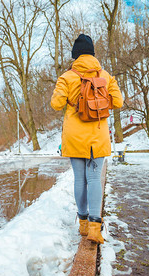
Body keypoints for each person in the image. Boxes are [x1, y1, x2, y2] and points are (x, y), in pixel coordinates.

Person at [50, 34, 123, 244]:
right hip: (98, 135)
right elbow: (118, 102)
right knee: (94, 179)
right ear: (93, 53)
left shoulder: (67, 76)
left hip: (74, 136)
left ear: (75, 56)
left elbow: (56, 104)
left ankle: (82, 225)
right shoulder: (106, 75)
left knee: (79, 180)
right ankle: (95, 228)